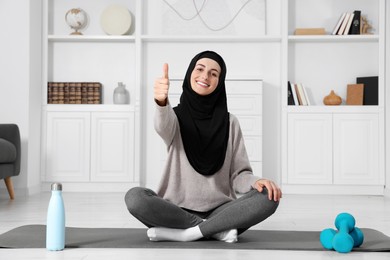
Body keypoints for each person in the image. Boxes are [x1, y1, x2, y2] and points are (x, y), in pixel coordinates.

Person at [125, 50, 282, 243]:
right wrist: (161, 101)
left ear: (219, 82)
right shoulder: (174, 117)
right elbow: (162, 126)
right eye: (200, 69)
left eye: (214, 73)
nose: (205, 76)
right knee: (135, 197)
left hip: (221, 209)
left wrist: (256, 182)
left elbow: (239, 175)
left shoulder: (230, 122)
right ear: (190, 73)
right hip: (175, 209)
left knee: (269, 197)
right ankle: (214, 229)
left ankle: (187, 233)